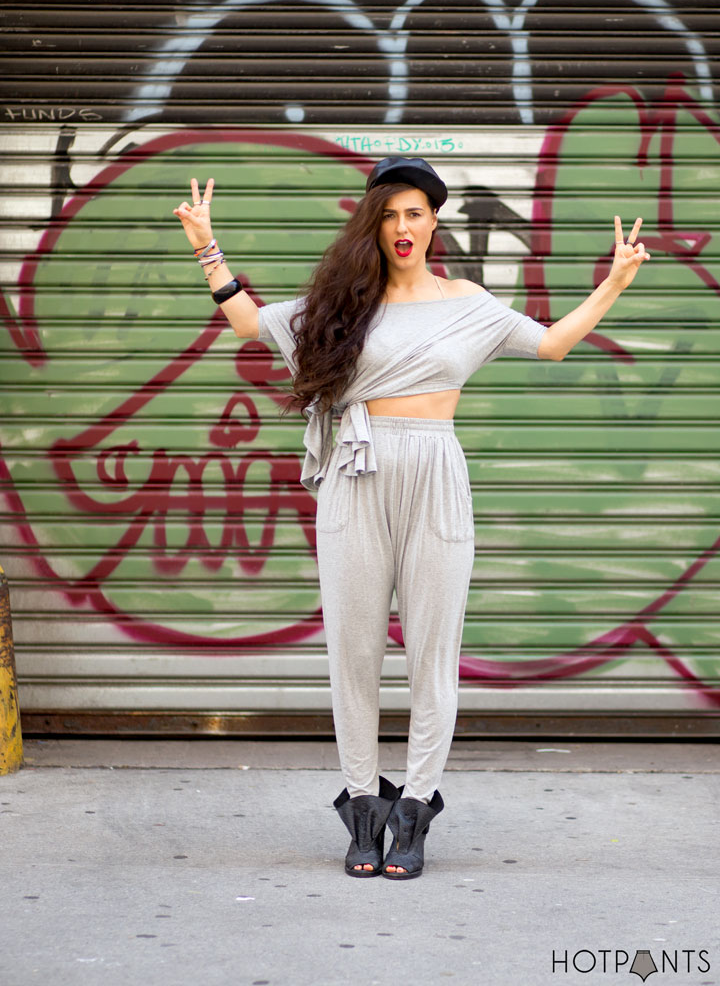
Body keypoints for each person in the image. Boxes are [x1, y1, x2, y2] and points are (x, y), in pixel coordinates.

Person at [173, 156, 649, 881]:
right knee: (354, 656)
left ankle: (416, 809)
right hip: (355, 475)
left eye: (415, 213)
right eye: (390, 213)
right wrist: (207, 246)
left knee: (433, 652)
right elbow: (245, 323)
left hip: (435, 473)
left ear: (434, 222)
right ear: (374, 222)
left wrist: (613, 283)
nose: (403, 226)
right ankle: (363, 809)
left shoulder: (468, 303)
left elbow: (550, 343)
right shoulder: (339, 304)